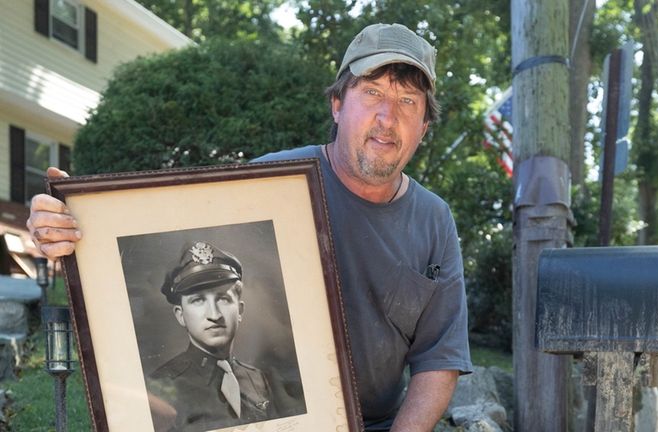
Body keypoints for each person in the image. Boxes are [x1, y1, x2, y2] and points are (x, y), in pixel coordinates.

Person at [27, 23, 472, 431]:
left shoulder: (434, 220)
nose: (387, 117)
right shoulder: (266, 187)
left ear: (424, 127)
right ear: (337, 105)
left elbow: (439, 358)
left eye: (407, 102)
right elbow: (158, 234)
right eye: (372, 93)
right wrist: (72, 228)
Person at [145, 240, 303, 431]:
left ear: (240, 311)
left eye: (223, 299)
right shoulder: (158, 388)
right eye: (198, 300)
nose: (214, 314)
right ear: (180, 315)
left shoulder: (261, 380)